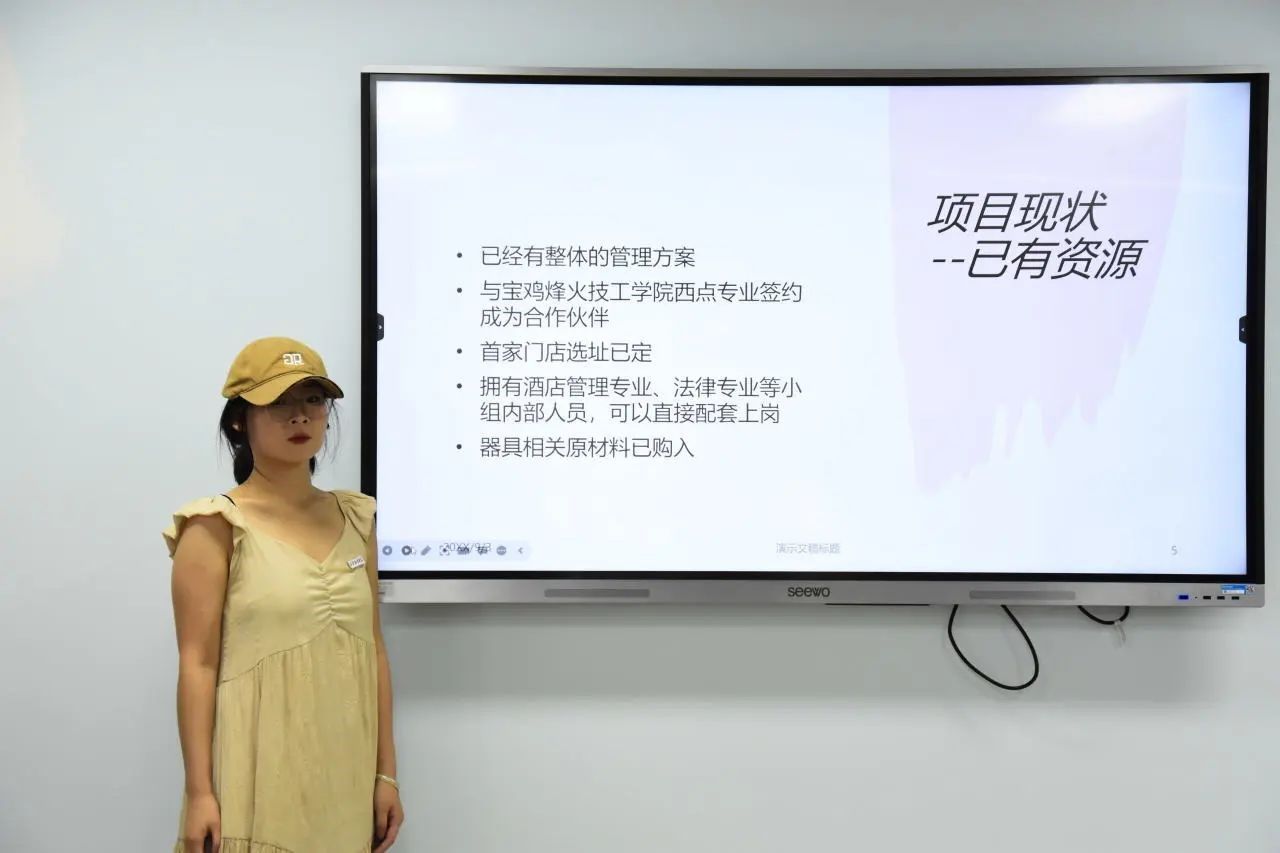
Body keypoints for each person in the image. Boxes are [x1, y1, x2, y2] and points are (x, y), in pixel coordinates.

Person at [164, 337, 405, 852]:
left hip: (344, 781)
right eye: (278, 402)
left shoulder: (357, 519)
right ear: (239, 421)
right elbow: (197, 665)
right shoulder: (214, 525)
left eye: (313, 400)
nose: (300, 416)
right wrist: (200, 792)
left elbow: (375, 652)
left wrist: (386, 775)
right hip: (252, 780)